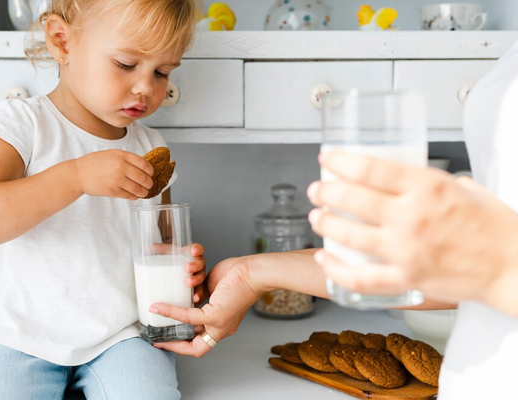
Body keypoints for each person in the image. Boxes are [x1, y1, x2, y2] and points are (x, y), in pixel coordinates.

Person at [150, 40, 518, 398]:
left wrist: (496, 262)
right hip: (473, 377)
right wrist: (251, 273)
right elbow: (454, 272)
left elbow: (490, 263)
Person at [0, 1, 206, 399]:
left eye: (162, 72)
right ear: (61, 41)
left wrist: (182, 274)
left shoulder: (151, 147)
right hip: (15, 336)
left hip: (120, 337)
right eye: (125, 64)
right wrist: (76, 176)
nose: (146, 87)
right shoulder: (22, 124)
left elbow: (155, 245)